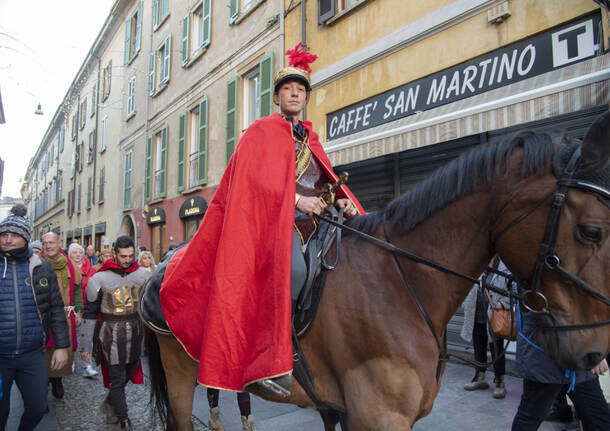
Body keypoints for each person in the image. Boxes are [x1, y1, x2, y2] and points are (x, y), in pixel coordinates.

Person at [159, 43, 364, 395]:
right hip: (278, 225)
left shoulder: (312, 139)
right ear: (277, 97)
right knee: (295, 271)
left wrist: (342, 202)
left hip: (321, 222)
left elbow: (325, 179)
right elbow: (250, 184)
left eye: (300, 90)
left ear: (306, 98)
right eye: (288, 89)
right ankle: (273, 359)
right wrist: (298, 200)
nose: (295, 94)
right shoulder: (260, 131)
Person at [0, 204, 70, 431]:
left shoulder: (41, 267)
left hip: (32, 354)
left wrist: (61, 346)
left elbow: (56, 308)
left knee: (38, 407)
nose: (8, 240)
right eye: (4, 235)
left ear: (26, 238)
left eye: (14, 236)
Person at [79, 235, 151, 430]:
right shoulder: (99, 279)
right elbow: (90, 313)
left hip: (136, 332)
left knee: (129, 371)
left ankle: (110, 403)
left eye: (130, 255)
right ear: (114, 254)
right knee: (117, 378)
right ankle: (123, 419)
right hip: (110, 334)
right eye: (123, 256)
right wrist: (86, 346)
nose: (127, 259)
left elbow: (149, 305)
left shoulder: (144, 275)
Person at [511, 304, 610, 430]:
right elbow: (557, 313)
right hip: (546, 360)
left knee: (599, 419)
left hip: (577, 364)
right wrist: (591, 348)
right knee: (529, 418)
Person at [40, 231, 84, 399]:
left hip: (65, 314)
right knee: (43, 351)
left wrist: (78, 311)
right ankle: (41, 387)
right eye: (45, 243)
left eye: (51, 242)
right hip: (43, 315)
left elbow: (77, 288)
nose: (48, 246)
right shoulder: (36, 264)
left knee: (61, 348)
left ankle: (57, 380)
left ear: (59, 244)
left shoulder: (69, 265)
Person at [461, 258, 511, 398]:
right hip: (476, 313)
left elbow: (513, 291)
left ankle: (500, 382)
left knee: (497, 349)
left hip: (494, 315)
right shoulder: (478, 262)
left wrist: (504, 304)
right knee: (479, 347)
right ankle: (480, 377)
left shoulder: (505, 267)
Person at [68, 243, 98, 377]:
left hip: (88, 308)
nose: (78, 255)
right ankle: (70, 362)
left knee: (86, 337)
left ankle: (87, 365)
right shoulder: (66, 268)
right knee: (70, 336)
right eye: (75, 252)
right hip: (70, 308)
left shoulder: (90, 269)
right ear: (70, 254)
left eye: (80, 252)